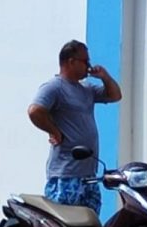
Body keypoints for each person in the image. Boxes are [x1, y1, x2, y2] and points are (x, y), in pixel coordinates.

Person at [28, 40, 122, 214]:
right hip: (66, 175)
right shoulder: (55, 87)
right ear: (71, 62)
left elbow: (115, 95)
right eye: (85, 61)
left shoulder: (86, 89)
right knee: (65, 226)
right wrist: (54, 130)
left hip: (88, 175)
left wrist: (105, 77)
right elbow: (35, 111)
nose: (89, 66)